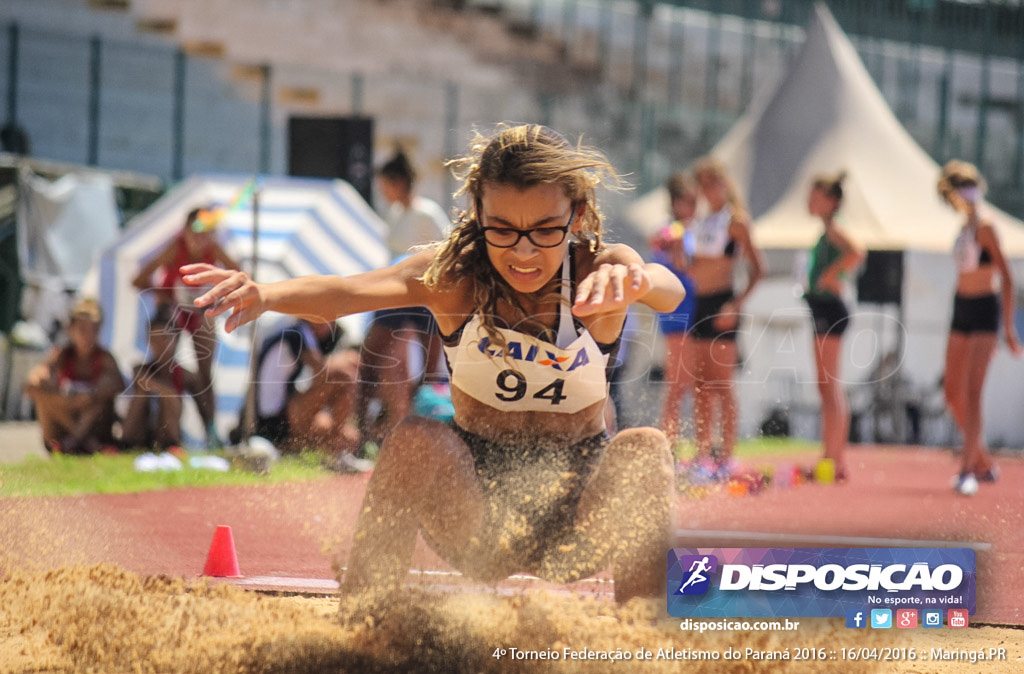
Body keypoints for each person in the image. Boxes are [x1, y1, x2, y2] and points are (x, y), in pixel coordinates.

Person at [181, 124, 685, 602]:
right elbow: (352, 290)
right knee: (417, 438)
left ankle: (643, 636)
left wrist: (639, 282)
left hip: (578, 515)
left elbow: (667, 288)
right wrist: (265, 293)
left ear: (575, 216)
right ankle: (365, 623)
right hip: (476, 514)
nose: (524, 252)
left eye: (544, 231)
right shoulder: (453, 277)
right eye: (503, 230)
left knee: (645, 447)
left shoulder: (603, 270)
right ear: (478, 214)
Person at [937, 160, 1022, 495]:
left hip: (985, 309)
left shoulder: (986, 227)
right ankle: (982, 459)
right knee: (952, 392)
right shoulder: (962, 229)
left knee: (973, 393)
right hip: (961, 308)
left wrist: (1008, 329)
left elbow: (1008, 279)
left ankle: (968, 468)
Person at [356, 149, 450, 452]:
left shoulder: (427, 213)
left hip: (425, 293)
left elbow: (445, 252)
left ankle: (427, 438)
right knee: (372, 355)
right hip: (397, 292)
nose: (383, 192)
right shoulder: (395, 214)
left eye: (386, 185)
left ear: (398, 183)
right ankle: (363, 431)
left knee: (431, 369)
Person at [132, 206, 241, 449]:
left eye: (206, 232)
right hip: (174, 312)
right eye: (195, 231)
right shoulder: (175, 248)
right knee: (169, 369)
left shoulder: (214, 250)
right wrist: (165, 295)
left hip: (199, 312)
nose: (199, 238)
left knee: (205, 374)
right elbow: (138, 279)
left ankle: (211, 432)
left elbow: (241, 276)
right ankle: (169, 433)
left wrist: (220, 297)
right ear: (185, 231)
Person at [684, 157, 765, 474]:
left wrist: (736, 305)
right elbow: (693, 269)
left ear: (725, 183)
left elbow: (759, 269)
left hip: (723, 304)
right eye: (702, 184)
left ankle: (727, 455)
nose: (708, 189)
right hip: (699, 304)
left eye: (713, 182)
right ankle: (703, 452)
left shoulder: (736, 221)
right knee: (700, 384)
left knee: (721, 383)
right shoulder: (699, 222)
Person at [802, 172, 864, 482]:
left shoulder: (837, 228)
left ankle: (836, 459)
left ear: (832, 201)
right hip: (820, 308)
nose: (809, 202)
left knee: (830, 384)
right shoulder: (826, 230)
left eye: (816, 197)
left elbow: (857, 251)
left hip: (830, 308)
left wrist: (831, 275)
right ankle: (830, 456)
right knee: (824, 385)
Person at [252, 317, 371, 472]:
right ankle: (338, 452)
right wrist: (342, 360)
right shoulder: (295, 334)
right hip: (274, 423)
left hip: (283, 418)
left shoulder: (299, 333)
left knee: (350, 437)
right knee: (346, 376)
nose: (331, 323)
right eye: (328, 316)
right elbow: (321, 372)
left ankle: (338, 448)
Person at [23, 298, 125, 454]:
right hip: (67, 425)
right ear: (71, 330)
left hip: (96, 426)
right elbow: (31, 384)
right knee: (42, 396)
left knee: (99, 399)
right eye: (83, 329)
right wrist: (68, 401)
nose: (88, 336)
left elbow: (118, 385)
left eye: (94, 330)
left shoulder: (104, 358)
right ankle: (79, 440)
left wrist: (89, 396)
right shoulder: (62, 355)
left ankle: (76, 441)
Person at [653, 171, 699, 444]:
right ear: (676, 202)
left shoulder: (691, 229)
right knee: (677, 383)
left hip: (695, 308)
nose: (693, 207)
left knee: (691, 382)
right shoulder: (672, 230)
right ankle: (668, 443)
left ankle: (684, 442)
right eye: (689, 201)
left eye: (695, 201)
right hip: (678, 311)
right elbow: (661, 246)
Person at [121, 306, 204, 452]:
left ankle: (169, 444)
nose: (159, 344)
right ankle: (128, 444)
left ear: (175, 339)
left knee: (169, 397)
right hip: (140, 433)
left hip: (167, 432)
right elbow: (142, 381)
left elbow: (203, 405)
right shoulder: (141, 369)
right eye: (154, 339)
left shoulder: (185, 375)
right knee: (144, 393)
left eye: (164, 338)